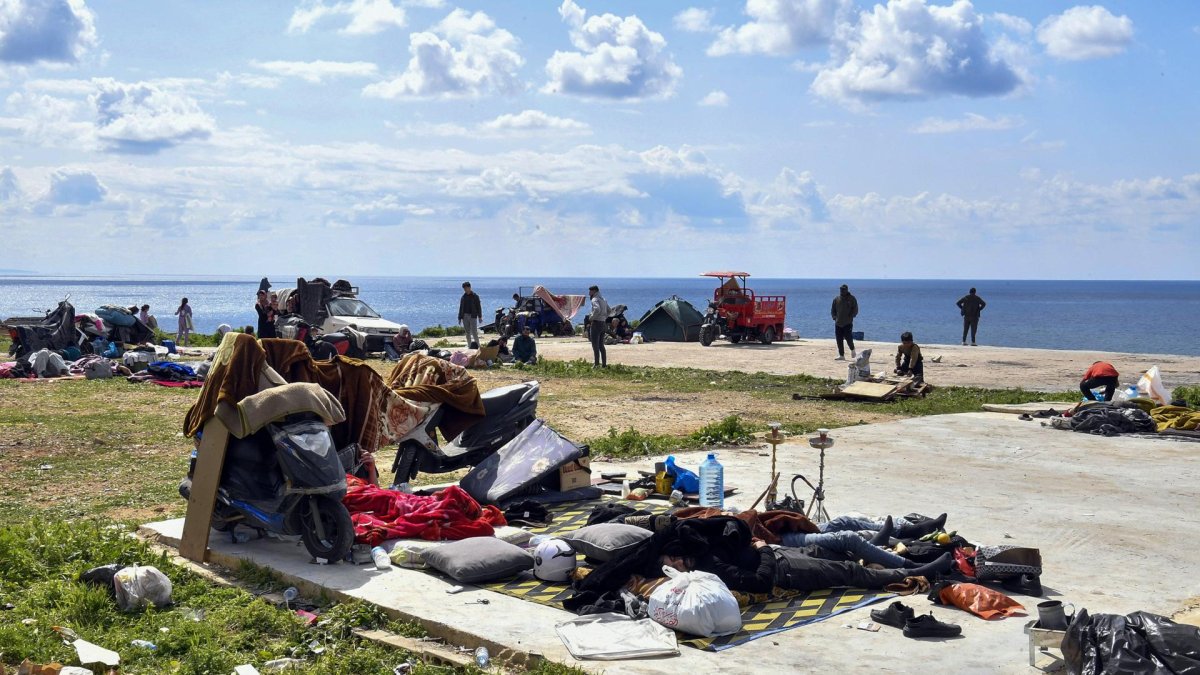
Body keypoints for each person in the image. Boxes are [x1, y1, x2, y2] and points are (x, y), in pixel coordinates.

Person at [830, 284, 858, 361]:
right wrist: (834, 317)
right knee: (839, 339)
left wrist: (851, 316)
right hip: (838, 323)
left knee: (848, 338)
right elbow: (833, 309)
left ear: (847, 290)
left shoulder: (852, 299)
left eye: (844, 290)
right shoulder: (836, 299)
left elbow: (855, 309)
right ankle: (841, 355)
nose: (842, 291)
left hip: (847, 323)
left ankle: (852, 349)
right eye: (841, 290)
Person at [587, 285, 609, 368]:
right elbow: (609, 311)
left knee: (595, 345)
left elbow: (597, 309)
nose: (589, 293)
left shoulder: (595, 299)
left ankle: (596, 364)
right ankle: (604, 364)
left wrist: (591, 317)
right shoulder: (603, 299)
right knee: (601, 345)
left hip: (596, 323)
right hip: (603, 323)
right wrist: (604, 317)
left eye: (590, 291)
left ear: (594, 291)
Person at [458, 281, 482, 349]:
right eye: (464, 289)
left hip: (473, 316)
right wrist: (459, 317)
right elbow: (461, 307)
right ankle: (469, 345)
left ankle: (478, 346)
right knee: (467, 332)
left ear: (469, 287)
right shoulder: (463, 297)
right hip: (465, 316)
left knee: (474, 332)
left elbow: (478, 307)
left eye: (466, 288)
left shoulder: (475, 296)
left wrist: (480, 316)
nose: (465, 290)